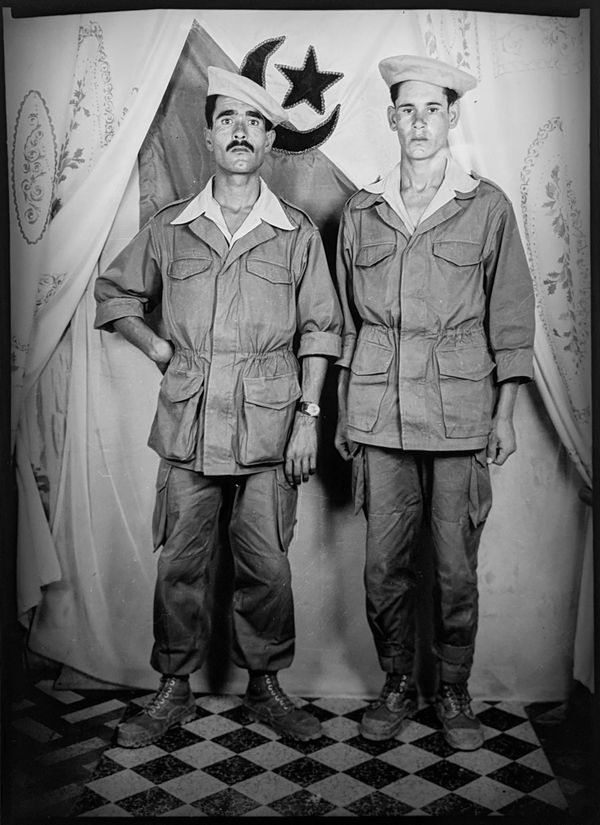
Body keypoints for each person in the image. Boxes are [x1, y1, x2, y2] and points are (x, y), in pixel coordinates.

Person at [94, 66, 342, 747]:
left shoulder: (293, 231)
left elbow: (322, 328)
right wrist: (158, 349)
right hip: (189, 421)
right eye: (228, 118)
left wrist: (309, 417)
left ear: (269, 141)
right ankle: (172, 685)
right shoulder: (172, 225)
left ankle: (266, 684)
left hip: (270, 424)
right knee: (181, 562)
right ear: (208, 134)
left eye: (255, 121)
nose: (241, 132)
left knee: (267, 564)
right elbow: (114, 296)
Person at [334, 55, 535, 751]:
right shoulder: (361, 210)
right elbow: (346, 326)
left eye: (432, 109)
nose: (419, 123)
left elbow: (511, 320)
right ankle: (396, 679)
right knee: (383, 566)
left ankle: (451, 687)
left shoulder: (488, 206)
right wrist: (342, 413)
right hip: (379, 415)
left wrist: (505, 412)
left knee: (453, 566)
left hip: (459, 416)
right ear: (391, 118)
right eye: (407, 109)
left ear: (452, 117)